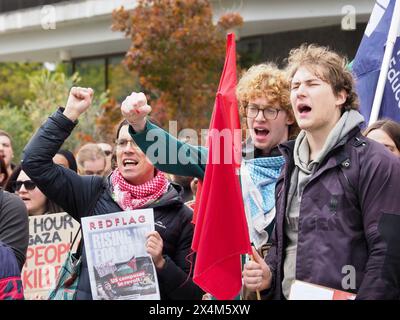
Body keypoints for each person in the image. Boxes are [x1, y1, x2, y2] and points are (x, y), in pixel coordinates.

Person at [242, 44, 400, 300]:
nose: (299, 92)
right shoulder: (289, 167)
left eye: (312, 84)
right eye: (294, 86)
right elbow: (288, 246)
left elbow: (389, 256)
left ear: (340, 96)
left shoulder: (377, 162)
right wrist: (269, 274)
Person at [21, 87, 203, 300]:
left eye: (136, 143)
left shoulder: (181, 216)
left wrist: (162, 263)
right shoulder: (93, 192)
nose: (127, 149)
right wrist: (69, 113)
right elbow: (33, 162)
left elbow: (192, 297)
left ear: (157, 153)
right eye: (122, 143)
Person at [121, 63, 299, 254]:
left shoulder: (302, 165)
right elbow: (176, 154)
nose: (259, 118)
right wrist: (139, 124)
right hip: (236, 278)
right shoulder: (229, 161)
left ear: (289, 116)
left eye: (270, 110)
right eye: (253, 108)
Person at [0, 187, 29, 271]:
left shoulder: (9, 204)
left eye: (30, 184)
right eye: (17, 184)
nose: (22, 189)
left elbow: (8, 266)